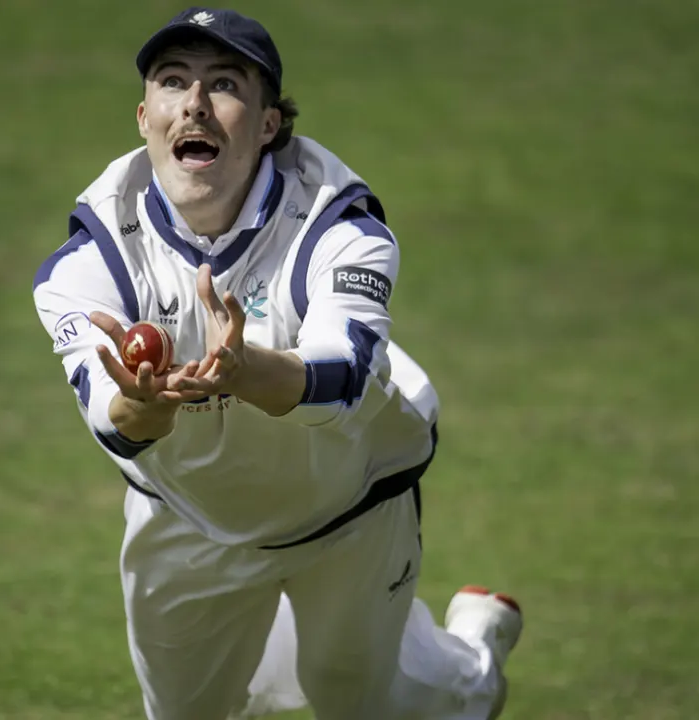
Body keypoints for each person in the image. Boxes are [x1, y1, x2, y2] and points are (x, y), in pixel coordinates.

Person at [32, 7, 523, 719]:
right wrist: (150, 402)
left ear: (268, 124)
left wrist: (243, 369)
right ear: (144, 117)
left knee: (360, 706)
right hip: (186, 517)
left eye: (224, 83)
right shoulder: (91, 257)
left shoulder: (340, 224)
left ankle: (474, 664)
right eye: (173, 82)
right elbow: (112, 422)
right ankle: (281, 640)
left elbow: (342, 377)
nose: (194, 103)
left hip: (348, 508)